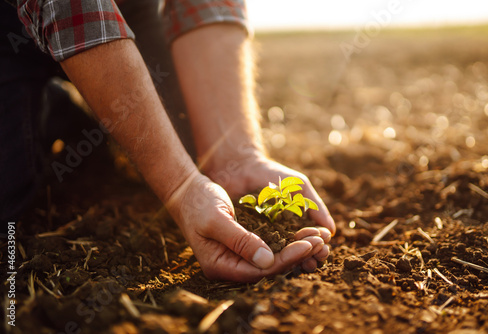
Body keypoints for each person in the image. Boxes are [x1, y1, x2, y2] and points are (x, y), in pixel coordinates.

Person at [0, 0, 336, 282]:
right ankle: (52, 107)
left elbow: (206, 5)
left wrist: (236, 155)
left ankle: (86, 113)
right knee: (8, 213)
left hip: (121, 13)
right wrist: (180, 185)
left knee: (194, 154)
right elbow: (71, 7)